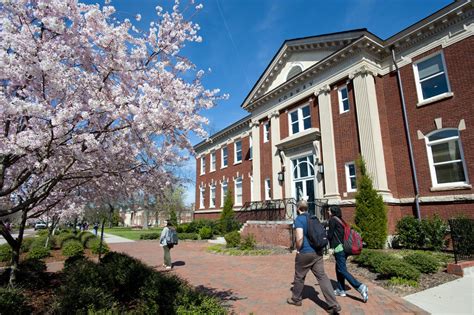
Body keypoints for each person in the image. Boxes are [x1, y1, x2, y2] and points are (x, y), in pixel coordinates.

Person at [287, 200, 341, 314]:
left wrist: (298, 249)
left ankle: (296, 299)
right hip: (318, 252)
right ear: (307, 208)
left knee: (299, 276)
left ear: (298, 209)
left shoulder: (299, 219)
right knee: (322, 277)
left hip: (305, 253)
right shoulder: (313, 218)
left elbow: (299, 238)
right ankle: (333, 304)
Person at [327, 205, 368, 302]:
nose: (328, 212)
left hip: (339, 248)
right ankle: (341, 290)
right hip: (345, 248)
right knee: (338, 269)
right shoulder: (341, 220)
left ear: (333, 212)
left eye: (329, 210)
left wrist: (325, 234)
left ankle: (361, 287)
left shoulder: (332, 220)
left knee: (342, 270)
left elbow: (330, 235)